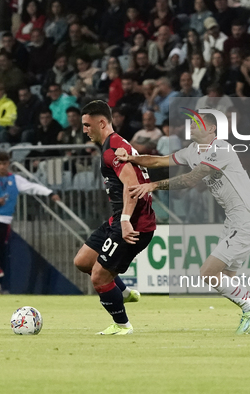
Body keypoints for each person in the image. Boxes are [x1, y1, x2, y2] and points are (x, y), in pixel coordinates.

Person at [116, 109, 250, 335]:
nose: (191, 126)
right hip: (235, 223)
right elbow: (157, 160)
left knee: (208, 273)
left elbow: (191, 179)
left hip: (246, 221)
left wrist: (152, 186)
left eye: (197, 123)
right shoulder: (192, 151)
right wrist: (131, 157)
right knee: (224, 280)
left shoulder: (221, 148)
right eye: (190, 123)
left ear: (211, 129)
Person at [73, 100, 155, 335]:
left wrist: (126, 220)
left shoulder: (113, 150)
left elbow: (132, 185)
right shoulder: (114, 144)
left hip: (134, 222)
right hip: (119, 219)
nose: (84, 130)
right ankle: (125, 293)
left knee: (99, 277)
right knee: (83, 262)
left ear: (101, 122)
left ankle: (122, 325)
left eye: (87, 125)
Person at [0, 151, 61, 282]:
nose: (2, 167)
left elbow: (32, 187)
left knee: (0, 251)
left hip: (4, 219)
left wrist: (49, 193)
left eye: (4, 164)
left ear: (8, 164)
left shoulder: (15, 179)